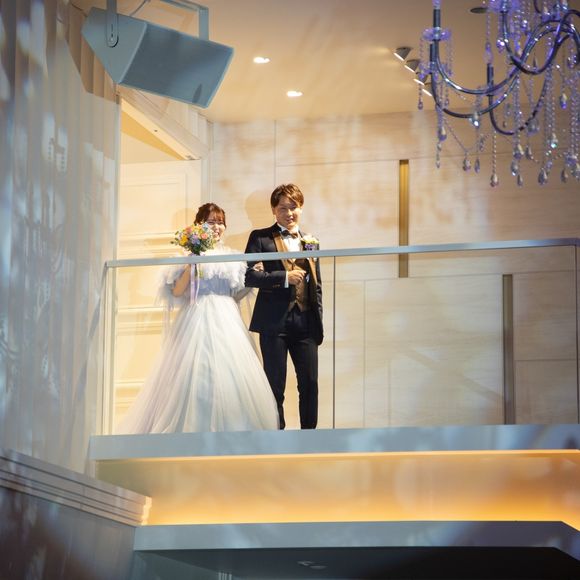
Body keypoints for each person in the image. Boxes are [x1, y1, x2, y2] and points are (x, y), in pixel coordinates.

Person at [117, 203, 279, 434]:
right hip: (197, 314)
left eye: (220, 222)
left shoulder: (233, 258)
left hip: (227, 316)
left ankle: (231, 428)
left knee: (229, 372)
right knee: (194, 370)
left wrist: (254, 279)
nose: (217, 227)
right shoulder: (189, 257)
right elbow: (177, 292)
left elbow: (235, 294)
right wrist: (192, 263)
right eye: (211, 222)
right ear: (199, 226)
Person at [244, 183, 323, 430]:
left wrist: (318, 321)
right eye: (282, 208)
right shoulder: (260, 237)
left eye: (293, 207)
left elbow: (317, 285)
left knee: (310, 383)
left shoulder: (311, 241)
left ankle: (309, 437)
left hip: (305, 322)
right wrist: (284, 278)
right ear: (273, 210)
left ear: (301, 208)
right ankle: (277, 436)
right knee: (274, 385)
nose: (289, 213)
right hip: (273, 322)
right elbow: (248, 276)